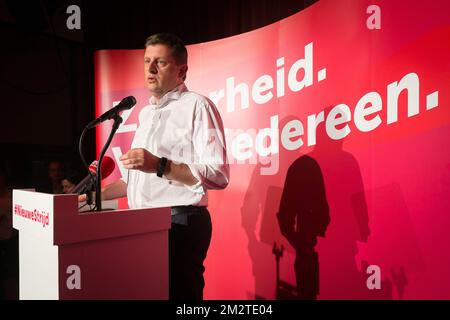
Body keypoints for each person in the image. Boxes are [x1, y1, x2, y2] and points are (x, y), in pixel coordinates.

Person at [83, 33, 229, 300]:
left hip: (180, 224)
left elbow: (218, 175)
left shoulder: (197, 105)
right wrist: (91, 198)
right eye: (147, 61)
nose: (150, 69)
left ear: (181, 70)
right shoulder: (147, 113)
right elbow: (132, 183)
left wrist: (159, 165)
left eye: (160, 62)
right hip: (144, 225)